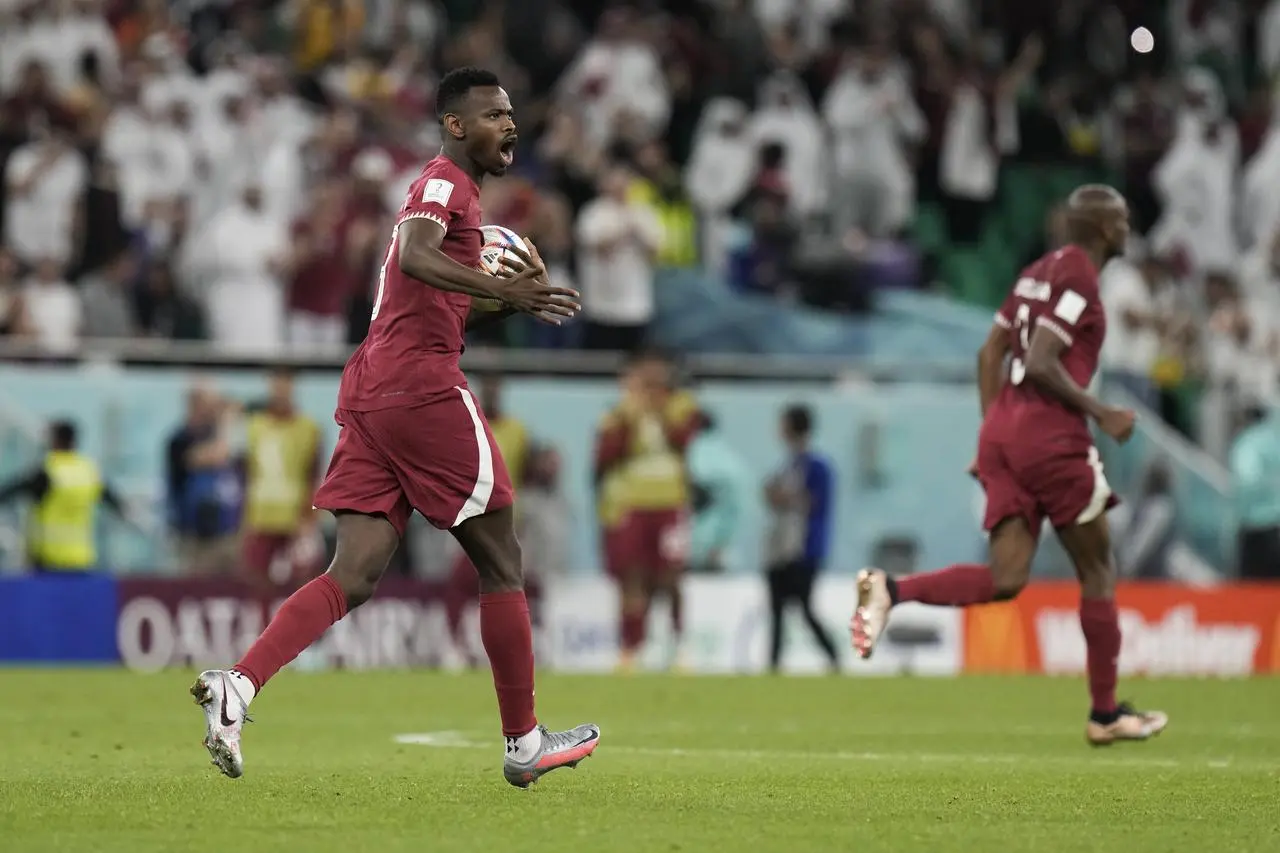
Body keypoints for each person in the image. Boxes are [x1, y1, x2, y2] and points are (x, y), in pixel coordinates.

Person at [189, 68, 596, 788]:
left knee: (356, 570)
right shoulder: (444, 182)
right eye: (494, 114)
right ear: (455, 125)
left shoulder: (452, 194)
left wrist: (506, 306)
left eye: (512, 113)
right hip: (420, 386)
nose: (510, 124)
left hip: (376, 387)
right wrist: (503, 286)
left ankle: (239, 686)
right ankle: (524, 740)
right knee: (502, 560)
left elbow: (428, 296)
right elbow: (413, 253)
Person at [851, 185, 1169, 746]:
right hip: (1052, 438)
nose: (1128, 227)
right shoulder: (1080, 280)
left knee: (1007, 579)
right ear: (1098, 228)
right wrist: (1102, 412)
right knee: (1097, 570)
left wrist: (993, 432)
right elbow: (1044, 361)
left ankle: (890, 591)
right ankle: (1104, 714)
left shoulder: (1035, 272)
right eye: (1120, 219)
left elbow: (989, 353)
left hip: (1005, 430)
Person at [594, 351, 698, 671]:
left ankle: (680, 647)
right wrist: (630, 415)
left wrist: (659, 408)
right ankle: (631, 649)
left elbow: (683, 440)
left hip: (670, 503)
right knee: (632, 577)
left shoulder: (682, 406)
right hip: (633, 504)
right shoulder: (620, 411)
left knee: (671, 577)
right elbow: (608, 455)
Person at [763, 405, 840, 673]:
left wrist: (781, 496)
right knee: (776, 609)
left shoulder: (816, 466)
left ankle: (833, 654)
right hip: (781, 547)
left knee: (804, 607)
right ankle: (773, 663)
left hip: (803, 548)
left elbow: (811, 503)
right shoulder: (789, 464)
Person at [0, 420, 135, 573]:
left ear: (55, 440)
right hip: (82, 557)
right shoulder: (88, 470)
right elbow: (116, 503)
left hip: (48, 557)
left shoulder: (47, 471)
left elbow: (12, 491)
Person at [239, 368, 325, 590]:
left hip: (296, 520)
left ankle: (306, 626)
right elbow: (245, 474)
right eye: (276, 382)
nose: (280, 388)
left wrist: (310, 518)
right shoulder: (254, 426)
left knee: (304, 585)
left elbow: (315, 476)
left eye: (285, 382)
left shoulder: (309, 429)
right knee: (257, 587)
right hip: (260, 519)